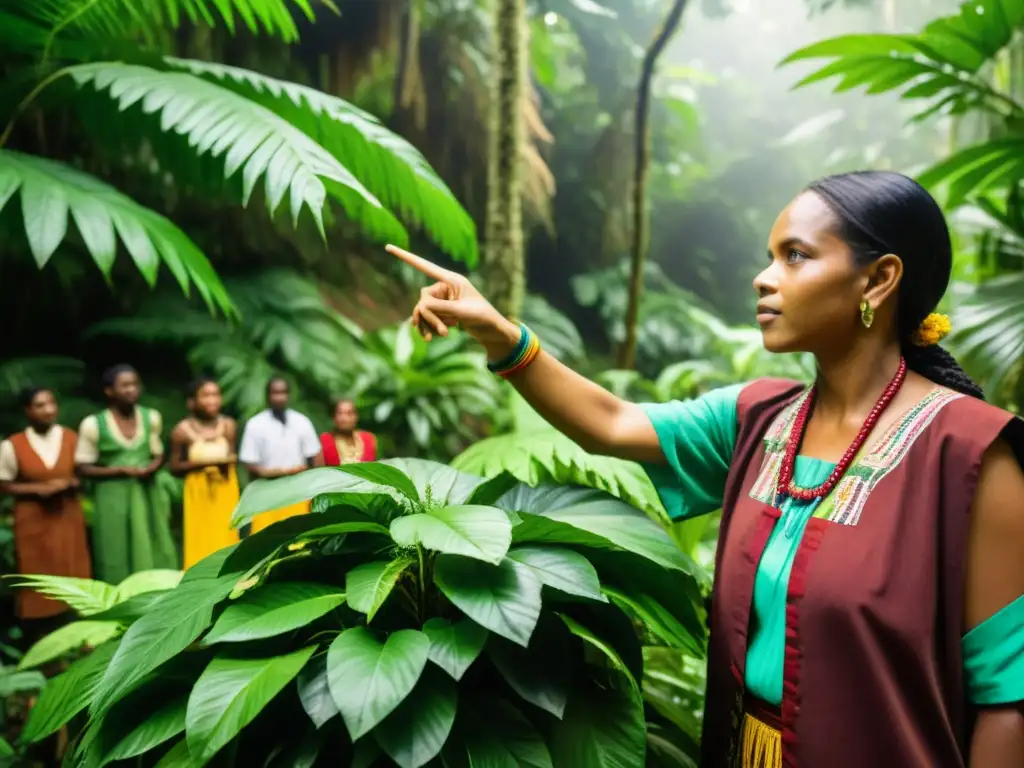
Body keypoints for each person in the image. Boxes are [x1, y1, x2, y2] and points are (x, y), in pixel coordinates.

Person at [386, 170, 1024, 767]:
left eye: (795, 256)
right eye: (770, 255)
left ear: (878, 280)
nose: (764, 277)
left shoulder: (970, 455)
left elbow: (1007, 698)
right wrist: (501, 334)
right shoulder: (760, 418)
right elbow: (610, 422)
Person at [0, 388, 91, 631]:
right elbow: (4, 484)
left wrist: (69, 483)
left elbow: (85, 473)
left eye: (51, 403)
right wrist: (37, 489)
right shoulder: (13, 445)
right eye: (40, 405)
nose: (48, 410)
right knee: (38, 572)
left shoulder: (71, 438)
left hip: (67, 515)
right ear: (28, 410)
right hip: (33, 519)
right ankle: (42, 639)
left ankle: (80, 635)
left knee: (73, 568)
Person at [76, 365, 177, 583]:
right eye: (125, 386)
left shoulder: (151, 418)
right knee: (115, 545)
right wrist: (119, 470)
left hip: (146, 491)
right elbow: (83, 467)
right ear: (109, 391)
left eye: (135, 384)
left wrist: (153, 467)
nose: (132, 390)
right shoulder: (93, 424)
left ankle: (158, 593)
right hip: (112, 494)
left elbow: (158, 453)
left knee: (154, 539)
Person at [169, 377, 240, 569]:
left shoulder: (228, 425)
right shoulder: (182, 431)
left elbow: (232, 456)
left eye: (216, 395)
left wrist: (225, 463)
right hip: (198, 491)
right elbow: (174, 467)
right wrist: (202, 464)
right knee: (200, 537)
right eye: (206, 395)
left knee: (226, 535)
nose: (212, 400)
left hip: (225, 488)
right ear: (192, 402)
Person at [238, 376, 322, 532]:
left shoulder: (302, 421)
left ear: (288, 395)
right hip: (266, 492)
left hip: (297, 491)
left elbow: (315, 456)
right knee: (266, 535)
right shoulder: (255, 424)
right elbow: (249, 463)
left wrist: (314, 489)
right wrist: (280, 472)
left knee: (298, 537)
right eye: (275, 393)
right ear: (268, 396)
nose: (279, 397)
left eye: (283, 393)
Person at [319, 398, 377, 466]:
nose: (344, 419)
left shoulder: (368, 439)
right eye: (339, 413)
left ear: (356, 417)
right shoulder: (325, 440)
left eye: (349, 414)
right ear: (334, 417)